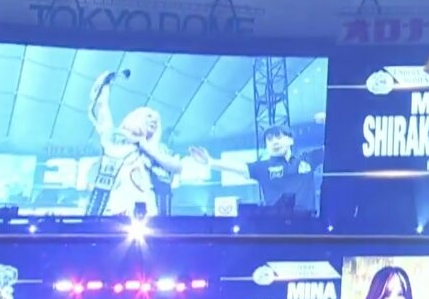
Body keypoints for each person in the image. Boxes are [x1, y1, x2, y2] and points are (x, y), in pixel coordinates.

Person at [86, 72, 182, 217]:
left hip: (152, 220)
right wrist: (105, 85)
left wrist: (148, 149)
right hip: (117, 216)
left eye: (156, 119)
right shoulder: (117, 142)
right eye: (149, 116)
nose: (154, 120)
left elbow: (177, 167)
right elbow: (102, 111)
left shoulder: (159, 152)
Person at [190, 125, 324, 212]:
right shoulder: (263, 167)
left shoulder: (308, 159)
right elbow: (239, 167)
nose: (274, 142)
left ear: (290, 140)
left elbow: (332, 148)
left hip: (309, 225)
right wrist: (210, 162)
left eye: (278, 136)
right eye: (269, 139)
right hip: (277, 227)